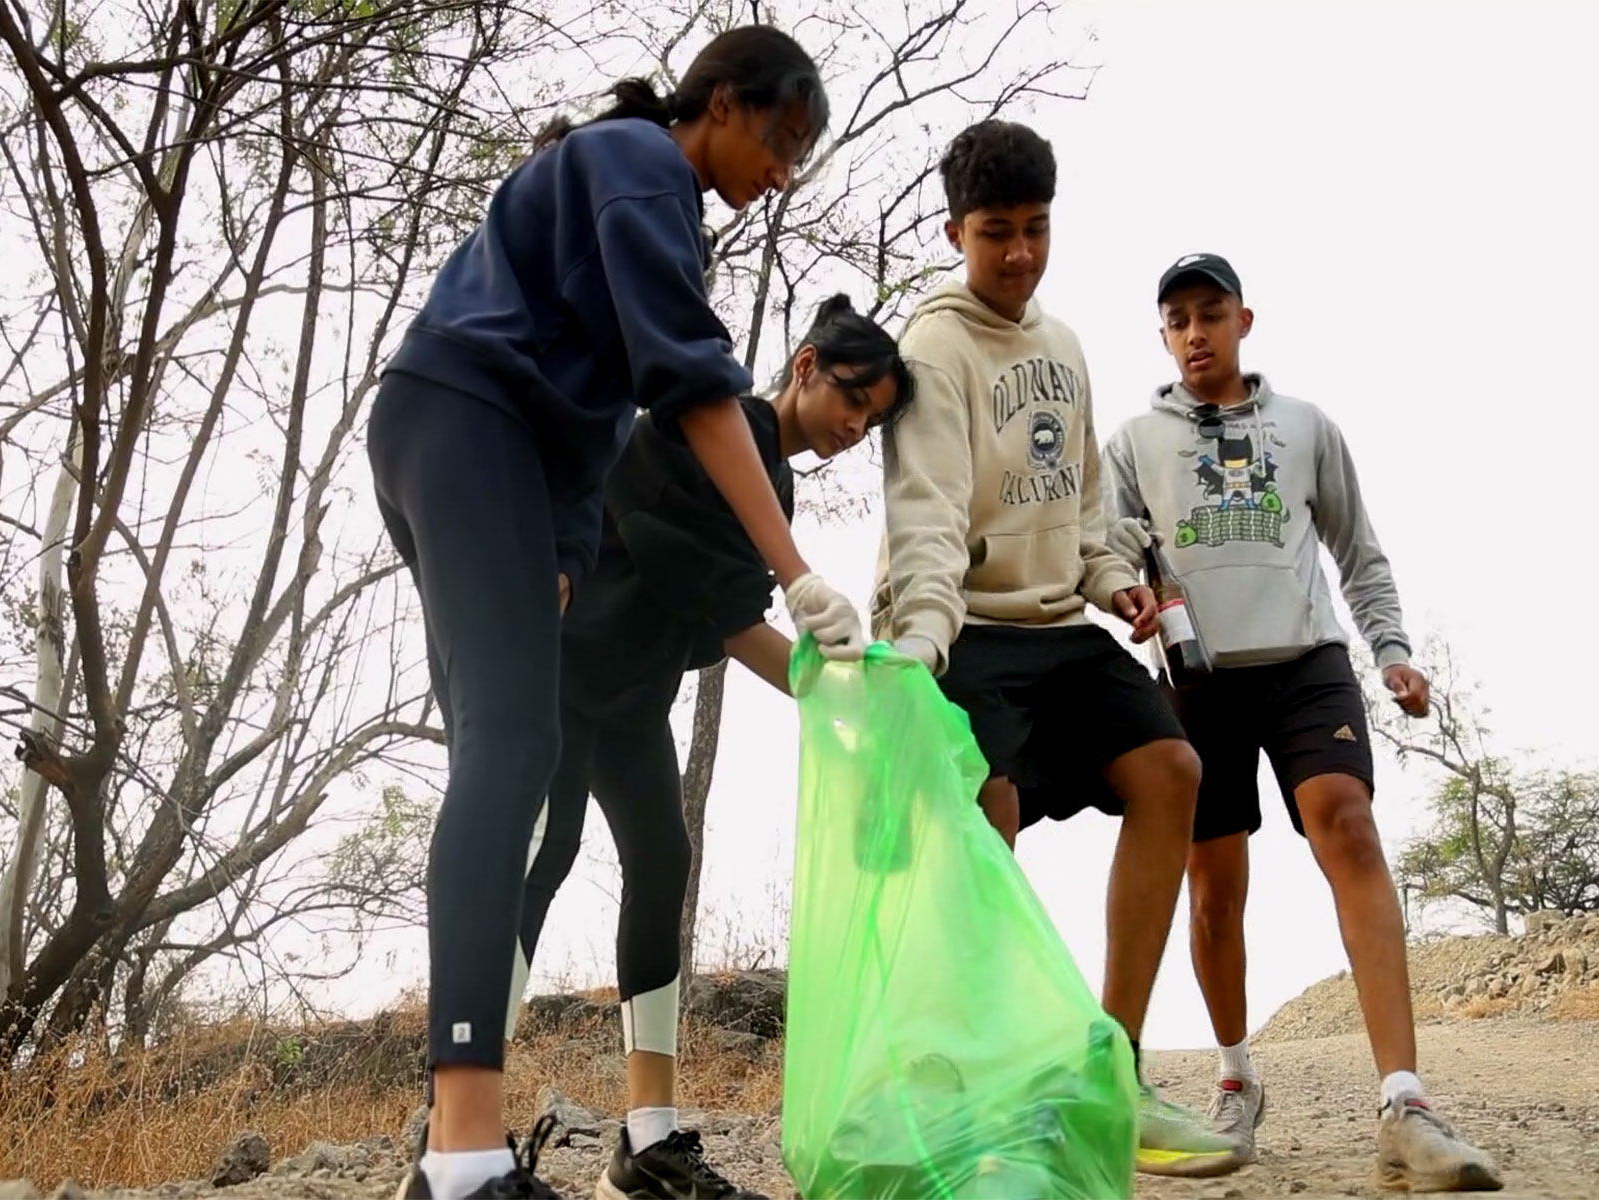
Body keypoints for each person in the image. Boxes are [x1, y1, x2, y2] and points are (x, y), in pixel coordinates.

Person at [368, 28, 866, 1200]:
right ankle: (463, 1158)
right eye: (780, 139)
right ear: (723, 103)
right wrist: (794, 572)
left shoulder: (658, 198)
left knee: (540, 774)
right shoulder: (639, 161)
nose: (782, 172)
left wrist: (558, 545)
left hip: (497, 457)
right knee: (513, 759)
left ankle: (461, 1153)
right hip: (457, 415)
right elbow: (685, 384)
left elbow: (591, 422)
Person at [870, 119, 1245, 1181]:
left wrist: (1112, 580)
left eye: (1037, 229)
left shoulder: (1064, 345)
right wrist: (921, 652)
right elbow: (927, 520)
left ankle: (1107, 1075)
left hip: (1054, 626)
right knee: (985, 812)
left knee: (1172, 767)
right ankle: (988, 1082)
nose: (1021, 253)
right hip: (962, 630)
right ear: (956, 233)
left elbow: (1080, 509)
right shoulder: (930, 350)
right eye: (998, 233)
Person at [1100, 252, 1503, 1191]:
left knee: (1349, 826)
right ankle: (1236, 1076)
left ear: (1245, 319)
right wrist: (1123, 590)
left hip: (1306, 664)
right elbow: (1111, 543)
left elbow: (1360, 551)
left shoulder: (1306, 427)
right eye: (1176, 319)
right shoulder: (1131, 441)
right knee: (1215, 891)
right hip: (1197, 679)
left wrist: (1392, 650)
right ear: (1162, 335)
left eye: (1210, 314)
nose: (1195, 333)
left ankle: (1405, 1099)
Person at [510, 294, 914, 1200]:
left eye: (874, 417)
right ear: (805, 366)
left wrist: (852, 684)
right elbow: (735, 621)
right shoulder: (702, 426)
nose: (857, 424)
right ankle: (459, 1125)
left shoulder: (778, 480)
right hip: (562, 672)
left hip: (632, 697)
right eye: (854, 397)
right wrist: (841, 691)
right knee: (542, 849)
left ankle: (646, 1140)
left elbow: (731, 613)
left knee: (661, 859)